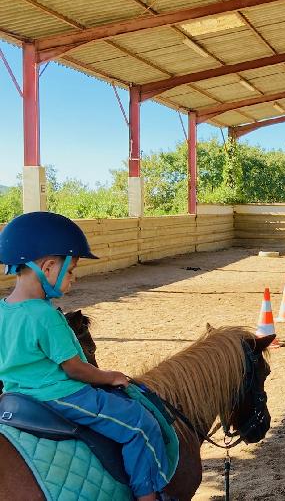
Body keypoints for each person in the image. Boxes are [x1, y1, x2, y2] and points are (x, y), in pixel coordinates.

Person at [0, 212, 169, 501]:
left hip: (17, 398)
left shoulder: (4, 309)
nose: (73, 279)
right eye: (70, 271)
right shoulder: (45, 316)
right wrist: (110, 376)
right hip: (60, 395)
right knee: (139, 424)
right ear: (48, 268)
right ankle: (148, 497)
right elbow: (75, 368)